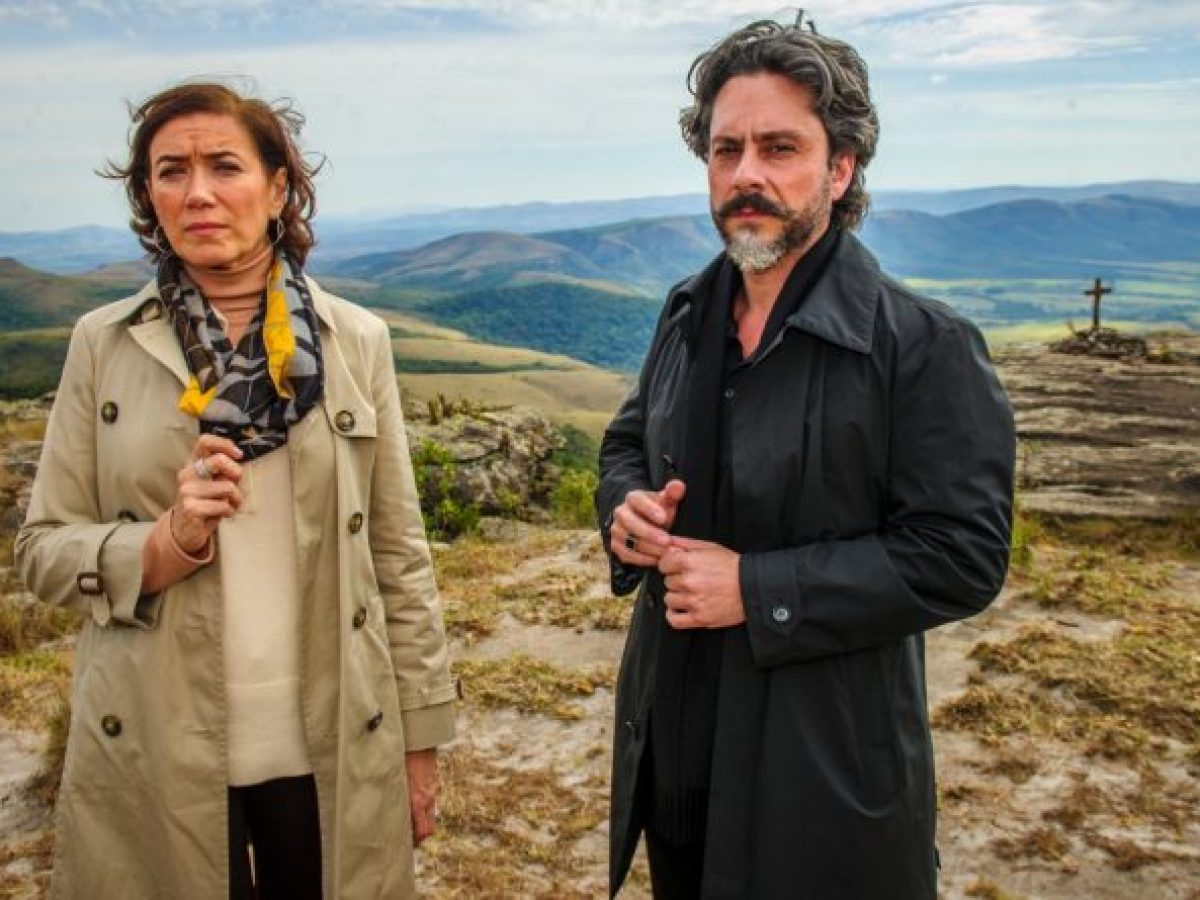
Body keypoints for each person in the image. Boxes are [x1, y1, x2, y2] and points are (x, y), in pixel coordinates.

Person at [597, 18, 1015, 900]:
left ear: (840, 169)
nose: (745, 174)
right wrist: (625, 511)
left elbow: (962, 556)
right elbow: (629, 442)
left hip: (822, 783)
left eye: (779, 148)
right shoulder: (687, 312)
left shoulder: (924, 345)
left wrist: (755, 590)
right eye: (726, 150)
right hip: (674, 756)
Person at [16, 82, 456, 900]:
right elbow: (41, 550)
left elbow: (398, 554)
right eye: (171, 171)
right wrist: (163, 542)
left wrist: (420, 742)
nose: (198, 192)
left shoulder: (356, 341)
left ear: (279, 188)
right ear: (149, 197)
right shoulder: (102, 344)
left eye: (224, 165)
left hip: (329, 735)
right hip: (159, 739)